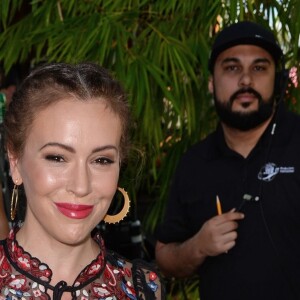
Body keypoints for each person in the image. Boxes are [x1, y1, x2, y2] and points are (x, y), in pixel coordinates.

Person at [155, 21, 300, 300]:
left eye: (259, 68)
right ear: (211, 83)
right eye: (232, 68)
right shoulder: (194, 162)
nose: (246, 80)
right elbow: (164, 257)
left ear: (277, 80)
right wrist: (198, 246)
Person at [0, 62, 164, 299]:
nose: (81, 186)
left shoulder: (144, 290)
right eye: (57, 157)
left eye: (101, 160)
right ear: (15, 161)